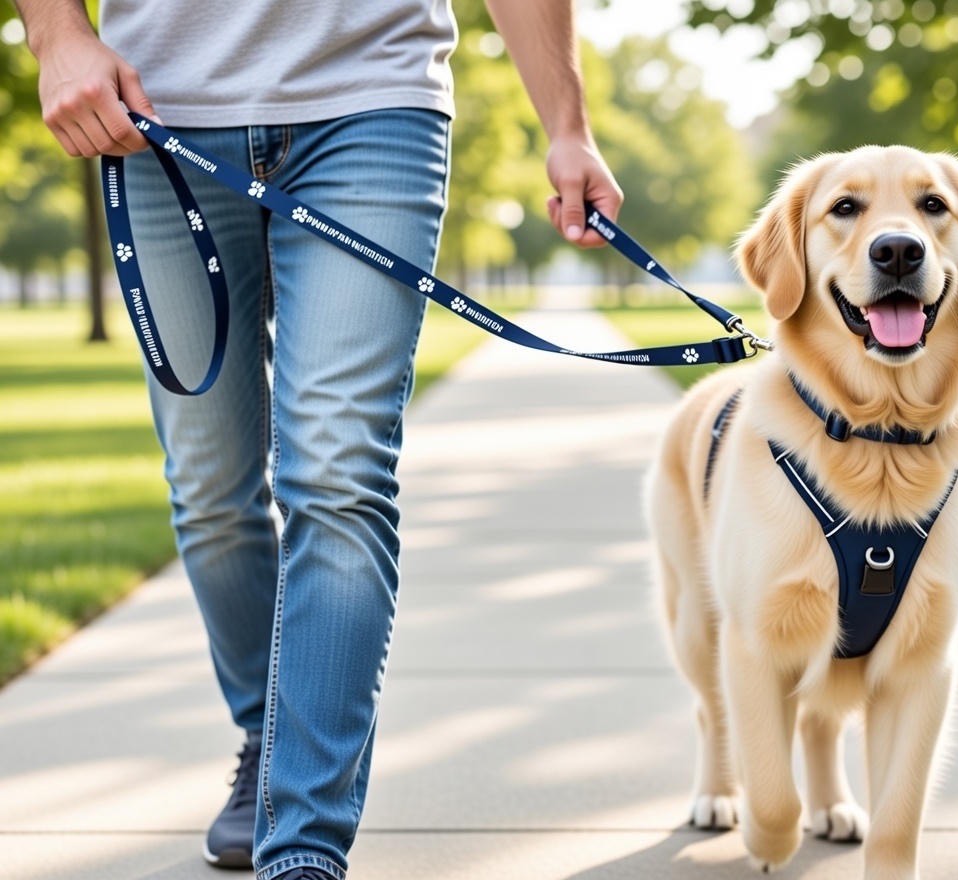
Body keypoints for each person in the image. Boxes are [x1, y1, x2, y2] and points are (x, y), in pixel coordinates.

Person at [13, 2, 623, 879]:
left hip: (372, 99)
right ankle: (269, 740)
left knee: (338, 471)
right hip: (153, 112)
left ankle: (302, 843)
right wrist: (57, 36)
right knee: (210, 486)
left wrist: (568, 124)